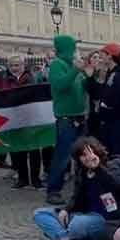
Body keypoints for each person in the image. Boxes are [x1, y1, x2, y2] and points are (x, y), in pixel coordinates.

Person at [33, 137, 120, 240]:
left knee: (76, 225)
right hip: (84, 214)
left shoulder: (112, 166)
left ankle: (59, 233)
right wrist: (66, 210)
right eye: (82, 155)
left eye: (89, 152)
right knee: (40, 214)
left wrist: (98, 168)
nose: (87, 157)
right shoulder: (83, 172)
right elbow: (76, 196)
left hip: (106, 219)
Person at [0, 48, 41, 189]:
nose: (15, 68)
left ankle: (35, 179)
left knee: (34, 149)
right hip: (13, 120)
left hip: (29, 119)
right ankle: (22, 179)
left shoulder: (31, 78)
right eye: (12, 65)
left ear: (23, 66)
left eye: (17, 65)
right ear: (8, 67)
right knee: (18, 150)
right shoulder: (3, 78)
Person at [46, 35, 89, 205]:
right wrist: (76, 71)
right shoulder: (57, 64)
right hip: (66, 118)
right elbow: (60, 85)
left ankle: (82, 187)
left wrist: (90, 77)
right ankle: (53, 190)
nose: (76, 51)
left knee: (82, 154)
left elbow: (81, 87)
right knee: (63, 156)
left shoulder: (73, 65)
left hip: (79, 116)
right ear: (67, 48)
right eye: (74, 47)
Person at [87, 43, 120, 157]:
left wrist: (102, 106)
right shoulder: (114, 73)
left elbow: (115, 99)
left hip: (118, 123)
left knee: (119, 156)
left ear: (110, 56)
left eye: (103, 54)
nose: (101, 57)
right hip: (113, 122)